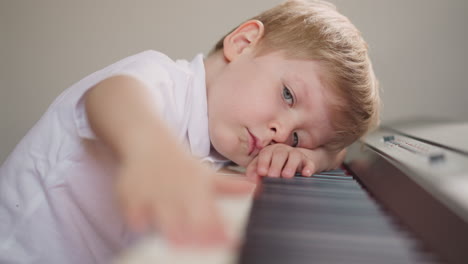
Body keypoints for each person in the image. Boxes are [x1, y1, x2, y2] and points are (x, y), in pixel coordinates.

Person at [0, 0, 380, 263]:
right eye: (287, 95)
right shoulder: (164, 79)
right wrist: (152, 152)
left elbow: (342, 152)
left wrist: (314, 154)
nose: (282, 132)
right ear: (243, 43)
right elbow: (112, 96)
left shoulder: (225, 135)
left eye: (297, 136)